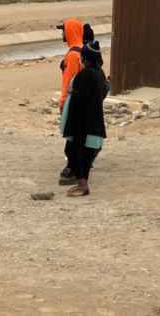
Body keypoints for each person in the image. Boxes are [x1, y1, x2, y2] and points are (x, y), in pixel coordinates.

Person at [61, 42, 107, 197]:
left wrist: (72, 93)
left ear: (86, 58)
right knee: (85, 153)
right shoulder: (99, 73)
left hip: (82, 122)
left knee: (75, 151)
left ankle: (83, 185)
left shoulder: (86, 74)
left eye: (83, 57)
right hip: (93, 119)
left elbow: (80, 99)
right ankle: (82, 183)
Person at [57, 19, 84, 184]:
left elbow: (69, 80)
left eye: (64, 30)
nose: (62, 34)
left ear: (70, 32)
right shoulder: (83, 49)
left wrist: (62, 101)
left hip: (73, 101)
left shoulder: (73, 55)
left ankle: (73, 170)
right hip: (82, 100)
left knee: (72, 137)